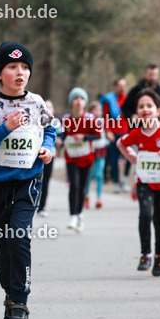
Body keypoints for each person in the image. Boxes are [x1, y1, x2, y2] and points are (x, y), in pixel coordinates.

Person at [0, 41, 57, 319]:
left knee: (19, 234)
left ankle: (20, 301)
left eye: (24, 67)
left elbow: (50, 128)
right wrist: (5, 128)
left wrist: (47, 148)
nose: (19, 72)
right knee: (3, 242)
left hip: (28, 179)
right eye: (12, 67)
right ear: (0, 73)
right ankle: (9, 292)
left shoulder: (37, 103)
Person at [116, 89, 160, 276]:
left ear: (158, 111)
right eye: (141, 106)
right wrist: (131, 156)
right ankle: (146, 254)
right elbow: (121, 143)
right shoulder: (136, 133)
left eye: (149, 106)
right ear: (137, 112)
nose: (145, 109)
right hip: (144, 181)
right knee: (145, 214)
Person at [60, 88, 99, 231]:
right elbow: (64, 134)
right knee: (74, 185)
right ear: (71, 102)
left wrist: (84, 137)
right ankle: (73, 216)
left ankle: (80, 214)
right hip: (71, 157)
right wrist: (60, 140)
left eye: (81, 98)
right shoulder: (66, 119)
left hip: (86, 157)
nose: (78, 101)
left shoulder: (90, 119)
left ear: (85, 102)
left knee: (82, 187)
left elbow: (98, 135)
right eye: (75, 98)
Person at [101, 78, 127, 189]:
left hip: (125, 132)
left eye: (124, 85)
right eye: (120, 85)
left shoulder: (128, 99)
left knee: (128, 157)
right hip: (113, 134)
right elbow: (105, 117)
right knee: (113, 158)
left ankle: (125, 179)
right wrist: (108, 131)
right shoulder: (109, 100)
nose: (122, 87)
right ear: (115, 86)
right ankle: (116, 182)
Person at [36, 99, 60, 217]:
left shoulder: (55, 123)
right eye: (45, 107)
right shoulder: (37, 121)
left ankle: (42, 207)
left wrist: (60, 140)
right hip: (37, 155)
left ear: (53, 110)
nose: (48, 109)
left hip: (51, 155)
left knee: (46, 181)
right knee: (36, 180)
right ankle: (32, 203)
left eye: (50, 107)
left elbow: (61, 135)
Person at [85, 100, 108, 209]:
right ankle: (86, 196)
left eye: (99, 110)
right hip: (90, 150)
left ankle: (99, 198)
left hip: (101, 150)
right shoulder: (87, 122)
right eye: (95, 110)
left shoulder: (103, 122)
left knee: (99, 175)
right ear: (90, 111)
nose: (97, 112)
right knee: (89, 176)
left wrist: (107, 140)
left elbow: (105, 134)